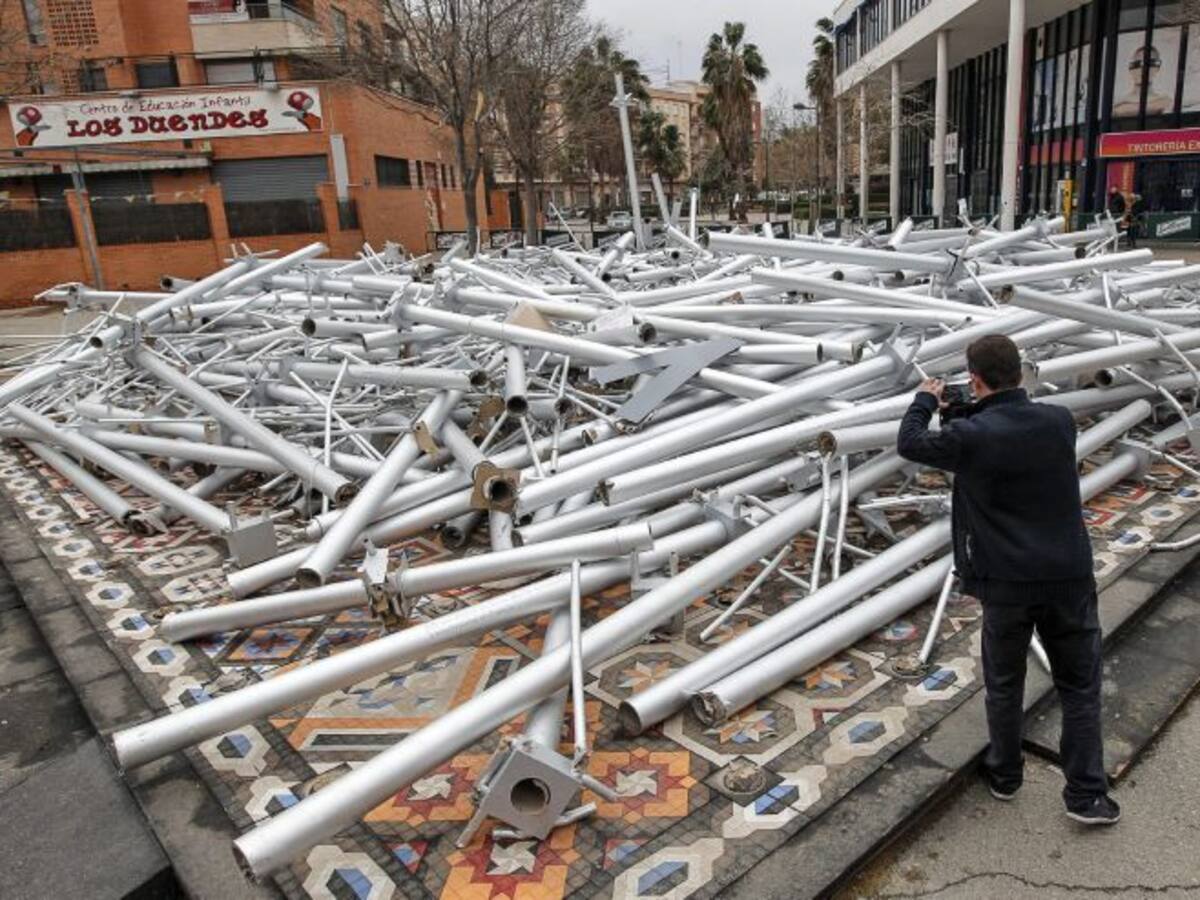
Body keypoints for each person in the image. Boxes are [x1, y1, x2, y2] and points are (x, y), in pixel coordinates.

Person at [896, 334, 1120, 826]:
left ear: (974, 380)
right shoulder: (1059, 421)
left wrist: (926, 401)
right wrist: (966, 410)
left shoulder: (970, 438)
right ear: (1020, 373)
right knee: (1080, 687)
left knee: (1004, 684)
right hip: (1067, 576)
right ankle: (1087, 796)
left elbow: (910, 443)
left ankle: (1006, 775)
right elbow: (1004, 429)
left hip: (1007, 584)